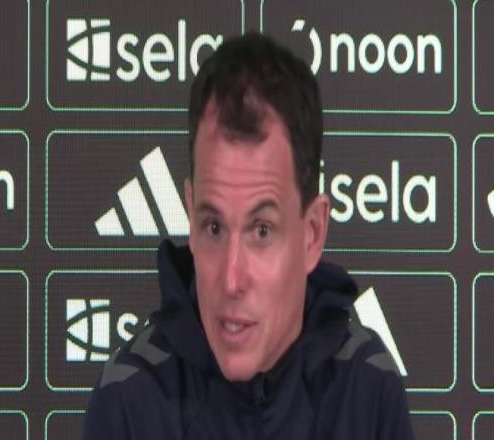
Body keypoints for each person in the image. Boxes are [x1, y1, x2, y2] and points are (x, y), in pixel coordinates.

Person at [83, 33, 414, 439]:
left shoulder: (367, 388)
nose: (231, 280)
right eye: (214, 227)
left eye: (261, 231)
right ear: (190, 214)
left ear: (312, 234)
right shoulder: (128, 399)